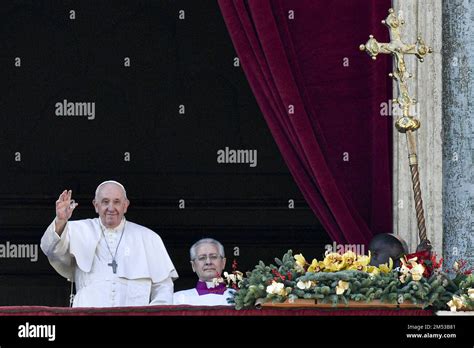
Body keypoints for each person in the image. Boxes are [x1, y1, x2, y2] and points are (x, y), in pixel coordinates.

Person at [41, 180, 178, 307]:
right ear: (96, 205)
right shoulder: (76, 230)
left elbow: (163, 287)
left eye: (117, 202)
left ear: (125, 206)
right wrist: (60, 220)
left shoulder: (148, 238)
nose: (111, 208)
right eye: (105, 202)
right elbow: (50, 249)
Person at [173, 238, 234, 306]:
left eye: (213, 257)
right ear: (193, 265)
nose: (208, 262)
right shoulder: (177, 299)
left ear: (223, 263)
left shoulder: (239, 298)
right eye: (202, 258)